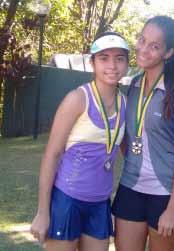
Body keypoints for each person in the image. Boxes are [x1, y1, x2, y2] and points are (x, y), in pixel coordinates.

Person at [30, 31, 129, 251]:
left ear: (127, 64)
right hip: (67, 200)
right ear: (92, 62)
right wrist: (43, 212)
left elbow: (129, 151)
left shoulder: (126, 104)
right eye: (104, 58)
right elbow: (52, 154)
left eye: (119, 58)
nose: (112, 65)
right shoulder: (77, 99)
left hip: (100, 203)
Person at [112, 16, 174, 251]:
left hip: (167, 194)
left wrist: (173, 209)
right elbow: (127, 136)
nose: (144, 49)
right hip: (131, 187)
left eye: (154, 46)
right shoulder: (133, 84)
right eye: (142, 40)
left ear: (168, 52)